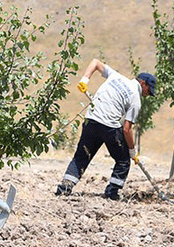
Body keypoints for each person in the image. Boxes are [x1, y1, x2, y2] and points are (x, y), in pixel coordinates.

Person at [55, 58, 155, 201]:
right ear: (143, 83)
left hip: (91, 120)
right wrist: (132, 151)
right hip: (109, 127)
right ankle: (112, 193)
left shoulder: (116, 76)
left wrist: (85, 79)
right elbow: (127, 129)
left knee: (82, 155)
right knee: (123, 160)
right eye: (149, 90)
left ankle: (64, 188)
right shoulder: (135, 99)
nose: (148, 94)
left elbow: (95, 62)